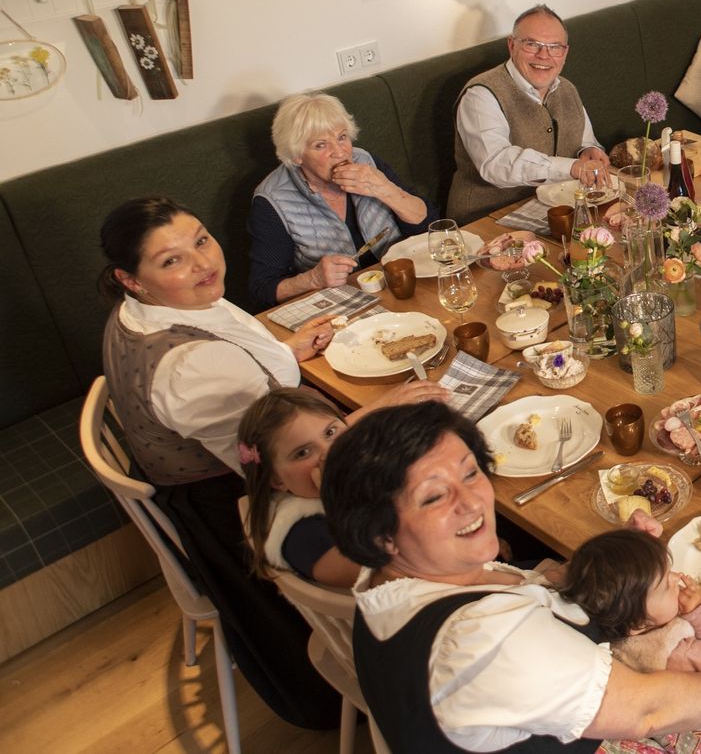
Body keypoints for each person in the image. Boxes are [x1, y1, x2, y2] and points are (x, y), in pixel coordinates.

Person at [97, 195, 445, 729]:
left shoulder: (145, 314)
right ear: (131, 279)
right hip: (246, 508)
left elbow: (236, 362)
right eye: (172, 260)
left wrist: (285, 353)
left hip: (226, 470)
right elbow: (286, 465)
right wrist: (383, 409)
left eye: (201, 240)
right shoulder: (192, 366)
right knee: (438, 460)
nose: (203, 263)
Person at [322, 402, 701, 753]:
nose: (471, 501)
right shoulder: (481, 644)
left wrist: (620, 565)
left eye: (470, 471)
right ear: (381, 533)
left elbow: (532, 595)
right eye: (433, 496)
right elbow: (649, 712)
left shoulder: (392, 576)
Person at [249, 91, 436, 308]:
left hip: (405, 285)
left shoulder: (365, 161)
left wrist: (386, 189)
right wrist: (313, 279)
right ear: (297, 155)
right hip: (343, 308)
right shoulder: (273, 200)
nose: (340, 152)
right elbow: (261, 289)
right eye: (321, 145)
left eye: (342, 137)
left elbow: (429, 225)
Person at [449, 4, 612, 220]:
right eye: (532, 44)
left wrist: (588, 151)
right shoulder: (480, 95)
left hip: (555, 211)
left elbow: (585, 139)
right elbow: (495, 163)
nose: (544, 55)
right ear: (511, 45)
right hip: (486, 220)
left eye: (554, 47)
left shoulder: (567, 88)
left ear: (565, 53)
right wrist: (571, 168)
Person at [558, 528, 701, 674]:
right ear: (639, 623)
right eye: (666, 586)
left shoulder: (620, 617)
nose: (677, 578)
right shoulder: (672, 653)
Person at [239, 386, 362, 588]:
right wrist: (340, 498)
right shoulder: (304, 537)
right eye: (303, 452)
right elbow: (389, 572)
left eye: (330, 432)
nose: (329, 453)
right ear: (277, 480)